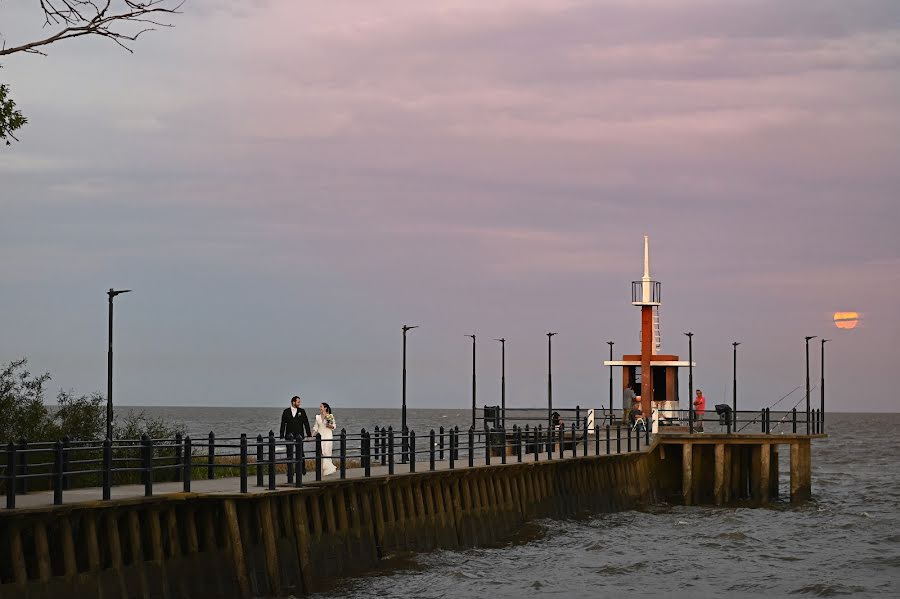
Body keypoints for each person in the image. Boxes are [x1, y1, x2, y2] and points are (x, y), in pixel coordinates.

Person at [280, 396, 312, 474]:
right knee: (289, 453)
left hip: (299, 435)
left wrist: (309, 434)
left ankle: (302, 469)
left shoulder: (302, 411)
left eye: (299, 402)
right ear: (293, 402)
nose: (299, 403)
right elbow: (283, 423)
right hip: (289, 435)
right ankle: (290, 471)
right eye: (298, 402)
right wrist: (282, 434)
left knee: (301, 452)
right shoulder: (286, 411)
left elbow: (306, 423)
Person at [312, 402, 337, 476]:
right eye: (320, 406)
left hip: (328, 436)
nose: (320, 408)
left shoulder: (329, 416)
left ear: (325, 408)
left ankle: (328, 469)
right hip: (320, 437)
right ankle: (329, 468)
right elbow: (315, 427)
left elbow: (333, 426)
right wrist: (312, 435)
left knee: (327, 452)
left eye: (321, 406)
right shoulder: (317, 417)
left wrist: (328, 425)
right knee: (322, 452)